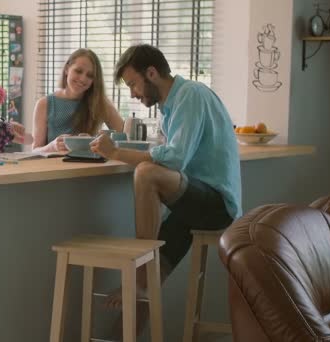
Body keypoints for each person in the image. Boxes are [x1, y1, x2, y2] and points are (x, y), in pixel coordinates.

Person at [90, 44, 242, 335]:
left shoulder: (191, 95)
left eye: (133, 83)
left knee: (146, 174)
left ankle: (137, 273)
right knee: (149, 283)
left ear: (151, 73)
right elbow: (167, 154)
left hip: (216, 205)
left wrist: (116, 152)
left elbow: (174, 158)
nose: (133, 93)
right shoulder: (168, 109)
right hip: (191, 207)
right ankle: (135, 298)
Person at [32, 48, 124, 152]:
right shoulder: (44, 104)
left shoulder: (101, 103)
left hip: (89, 167)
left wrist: (98, 141)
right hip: (53, 167)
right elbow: (35, 150)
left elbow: (125, 138)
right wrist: (52, 146)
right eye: (78, 71)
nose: (83, 79)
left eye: (89, 76)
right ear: (67, 69)